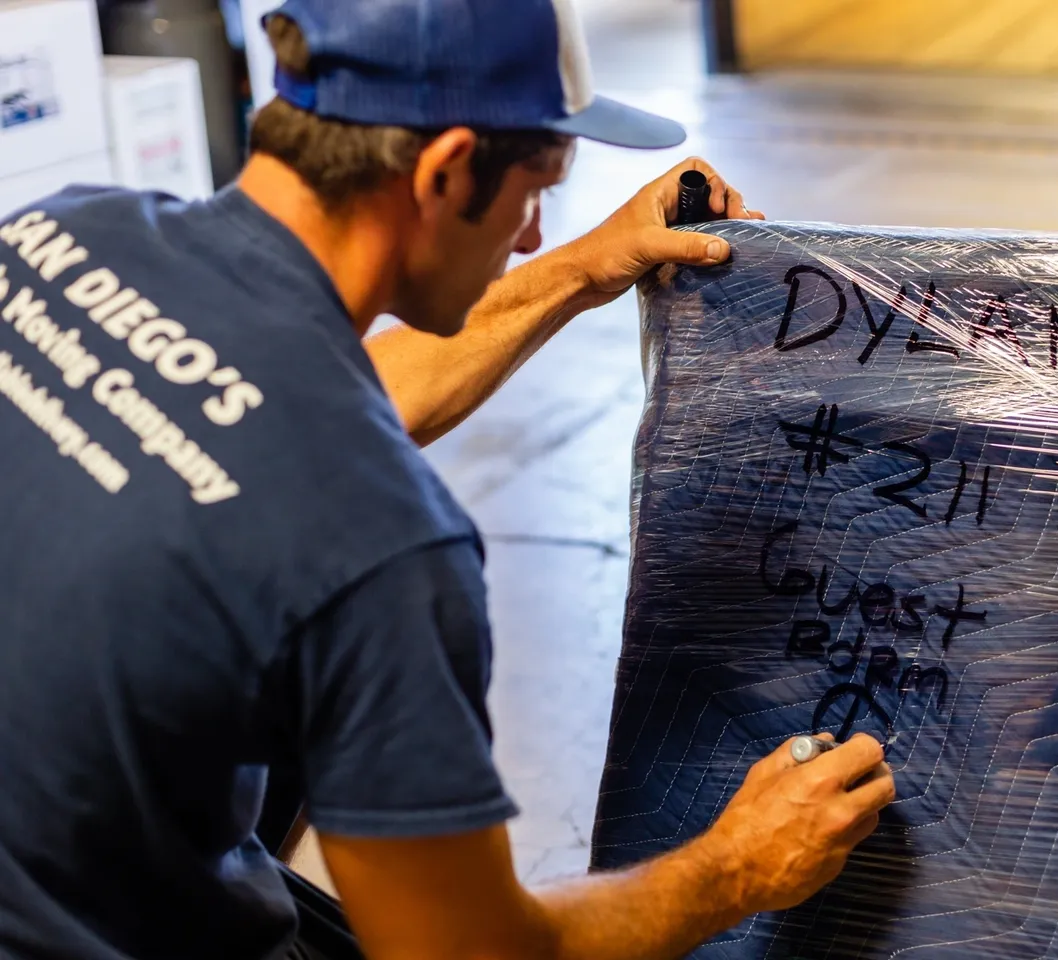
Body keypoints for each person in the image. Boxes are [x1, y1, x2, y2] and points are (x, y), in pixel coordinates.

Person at [0, 1, 896, 958]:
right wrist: (740, 866)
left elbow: (284, 411)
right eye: (535, 189)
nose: (526, 234)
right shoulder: (382, 546)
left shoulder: (60, 234)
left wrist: (580, 270)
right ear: (443, 169)